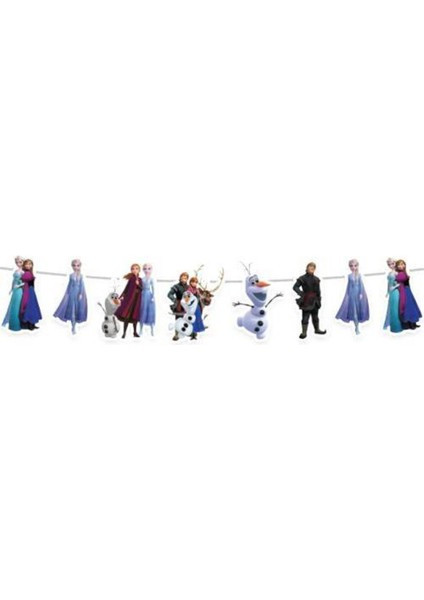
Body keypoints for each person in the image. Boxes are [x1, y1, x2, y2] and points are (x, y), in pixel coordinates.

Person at [53, 258, 88, 334]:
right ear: (72, 266)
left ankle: (74, 325)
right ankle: (73, 327)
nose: (76, 267)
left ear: (80, 266)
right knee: (72, 310)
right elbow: (69, 285)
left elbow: (82, 285)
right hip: (72, 294)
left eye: (77, 265)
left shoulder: (81, 276)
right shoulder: (71, 275)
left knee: (77, 310)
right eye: (74, 265)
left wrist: (81, 294)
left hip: (78, 295)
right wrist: (67, 294)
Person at [293, 262, 326, 339]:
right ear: (307, 268)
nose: (311, 269)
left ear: (314, 269)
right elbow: (295, 287)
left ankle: (317, 329)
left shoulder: (317, 279)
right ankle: (304, 333)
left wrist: (319, 300)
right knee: (305, 317)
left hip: (315, 301)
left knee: (315, 317)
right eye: (310, 267)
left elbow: (318, 291)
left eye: (313, 268)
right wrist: (302, 294)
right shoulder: (302, 278)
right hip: (307, 301)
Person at [336, 259, 370, 334]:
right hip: (351, 295)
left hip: (358, 295)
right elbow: (348, 286)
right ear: (349, 267)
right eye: (351, 266)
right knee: (354, 312)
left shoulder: (359, 275)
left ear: (357, 266)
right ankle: (356, 328)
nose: (353, 267)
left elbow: (361, 285)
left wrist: (361, 293)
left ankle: (357, 326)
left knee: (358, 311)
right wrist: (347, 295)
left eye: (355, 266)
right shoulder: (349, 276)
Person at [115, 263, 143, 339]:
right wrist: (120, 297)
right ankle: (124, 333)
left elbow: (142, 289)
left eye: (136, 268)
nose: (135, 270)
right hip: (130, 300)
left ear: (139, 270)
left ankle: (135, 332)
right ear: (131, 270)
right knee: (127, 316)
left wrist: (138, 284)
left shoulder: (140, 280)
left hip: (137, 300)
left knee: (135, 316)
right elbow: (126, 289)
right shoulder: (131, 279)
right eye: (133, 269)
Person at [395, 259, 421, 330]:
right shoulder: (400, 274)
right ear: (397, 266)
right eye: (400, 264)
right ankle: (410, 324)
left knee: (412, 307)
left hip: (408, 290)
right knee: (409, 307)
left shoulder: (403, 272)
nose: (402, 265)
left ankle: (413, 323)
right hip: (405, 291)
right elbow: (398, 281)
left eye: (403, 264)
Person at [2, 256, 25, 332]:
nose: (18, 264)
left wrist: (18, 286)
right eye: (17, 262)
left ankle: (16, 326)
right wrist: (11, 288)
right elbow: (14, 280)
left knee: (17, 307)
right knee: (13, 306)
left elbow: (26, 282)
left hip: (20, 290)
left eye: (20, 262)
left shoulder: (24, 271)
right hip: (15, 291)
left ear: (23, 262)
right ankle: (12, 325)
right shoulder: (17, 270)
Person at [20, 259, 42, 330]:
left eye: (30, 264)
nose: (28, 265)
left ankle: (32, 323)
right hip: (28, 291)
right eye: (27, 264)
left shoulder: (29, 272)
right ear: (24, 265)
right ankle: (29, 325)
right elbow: (24, 280)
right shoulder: (26, 273)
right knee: (30, 307)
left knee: (33, 307)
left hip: (31, 290)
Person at [168, 272, 189, 341]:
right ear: (180, 278)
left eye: (185, 278)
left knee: (187, 319)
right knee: (178, 320)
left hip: (186, 305)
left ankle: (186, 332)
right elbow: (169, 294)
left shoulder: (188, 287)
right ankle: (176, 334)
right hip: (179, 305)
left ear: (187, 279)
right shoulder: (176, 286)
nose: (184, 279)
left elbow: (191, 295)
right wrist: (175, 301)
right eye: (182, 278)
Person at [383, 257, 402, 333]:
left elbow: (401, 282)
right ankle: (393, 326)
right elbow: (389, 283)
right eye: (389, 264)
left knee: (395, 309)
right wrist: (387, 291)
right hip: (391, 293)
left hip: (396, 292)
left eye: (392, 264)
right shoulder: (390, 273)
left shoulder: (398, 272)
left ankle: (397, 327)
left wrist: (394, 287)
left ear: (395, 263)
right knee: (392, 308)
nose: (391, 265)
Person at [140, 263, 156, 336]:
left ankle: (152, 329)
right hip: (143, 295)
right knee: (142, 311)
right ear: (143, 270)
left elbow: (153, 288)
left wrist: (153, 296)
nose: (147, 270)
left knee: (150, 311)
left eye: (149, 269)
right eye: (145, 269)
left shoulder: (151, 279)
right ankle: (141, 329)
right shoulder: (142, 279)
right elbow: (140, 287)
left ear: (151, 270)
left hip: (149, 295)